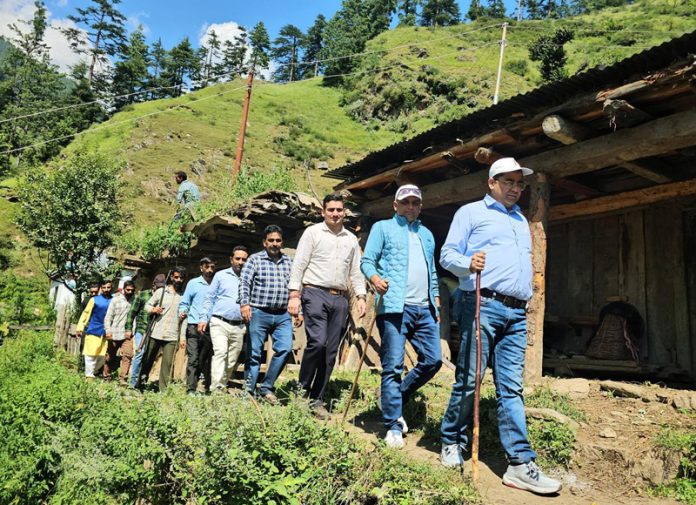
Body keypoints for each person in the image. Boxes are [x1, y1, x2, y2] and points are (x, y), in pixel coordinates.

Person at [439, 158, 561, 495]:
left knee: (512, 388)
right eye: (508, 182)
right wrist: (467, 262)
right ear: (491, 182)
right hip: (482, 303)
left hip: (516, 313)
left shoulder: (521, 220)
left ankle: (520, 464)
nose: (515, 189)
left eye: (519, 184)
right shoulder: (470, 213)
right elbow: (447, 255)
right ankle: (451, 440)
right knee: (470, 378)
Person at [361, 184, 443, 449]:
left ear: (420, 206)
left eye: (415, 203)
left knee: (433, 360)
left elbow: (432, 270)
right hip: (395, 306)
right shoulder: (383, 228)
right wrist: (375, 278)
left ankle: (395, 398)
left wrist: (436, 298)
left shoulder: (427, 234)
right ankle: (393, 424)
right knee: (393, 365)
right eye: (405, 202)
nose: (411, 207)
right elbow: (367, 261)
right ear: (395, 205)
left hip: (424, 307)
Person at [288, 193, 366, 419]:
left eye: (339, 210)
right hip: (314, 292)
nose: (335, 214)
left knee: (331, 352)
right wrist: (295, 295)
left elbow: (355, 271)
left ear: (344, 212)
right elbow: (299, 264)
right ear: (323, 212)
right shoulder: (313, 233)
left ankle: (317, 399)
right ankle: (301, 393)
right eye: (331, 210)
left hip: (340, 298)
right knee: (318, 343)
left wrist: (360, 296)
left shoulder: (351, 239)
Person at [240, 225, 302, 404]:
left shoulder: (289, 262)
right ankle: (248, 392)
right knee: (254, 353)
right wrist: (245, 303)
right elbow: (244, 283)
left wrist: (299, 311)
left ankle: (266, 387)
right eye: (271, 240)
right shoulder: (255, 260)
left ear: (282, 242)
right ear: (264, 242)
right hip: (259, 312)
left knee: (284, 348)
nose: (275, 244)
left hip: (283, 314)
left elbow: (296, 288)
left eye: (278, 240)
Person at [199, 246, 250, 392]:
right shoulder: (221, 275)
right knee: (220, 352)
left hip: (239, 325)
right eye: (238, 258)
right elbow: (209, 298)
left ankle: (222, 384)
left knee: (232, 360)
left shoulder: (250, 277)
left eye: (244, 259)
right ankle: (216, 388)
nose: (241, 262)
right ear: (231, 259)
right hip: (219, 321)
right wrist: (203, 318)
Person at [137, 267, 186, 391]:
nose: (179, 280)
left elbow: (185, 318)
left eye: (181, 278)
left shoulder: (184, 296)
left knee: (167, 364)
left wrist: (182, 337)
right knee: (148, 359)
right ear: (171, 277)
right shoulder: (161, 292)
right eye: (176, 277)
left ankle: (163, 391)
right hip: (156, 332)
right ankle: (140, 385)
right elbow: (147, 306)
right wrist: (153, 309)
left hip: (172, 334)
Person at [179, 257, 216, 394]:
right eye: (207, 267)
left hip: (211, 326)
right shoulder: (193, 283)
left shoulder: (216, 283)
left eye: (212, 267)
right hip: (194, 325)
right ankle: (191, 388)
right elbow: (185, 302)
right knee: (193, 358)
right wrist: (182, 312)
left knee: (205, 358)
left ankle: (204, 385)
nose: (210, 270)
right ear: (201, 268)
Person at [126, 274, 166, 388]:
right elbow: (132, 313)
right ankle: (133, 384)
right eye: (158, 287)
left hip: (155, 332)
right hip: (142, 329)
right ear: (154, 285)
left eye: (162, 287)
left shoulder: (164, 297)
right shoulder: (143, 295)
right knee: (140, 354)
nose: (160, 289)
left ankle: (142, 382)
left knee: (149, 357)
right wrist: (128, 328)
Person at [75, 279, 113, 381]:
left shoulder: (114, 301)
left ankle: (94, 372)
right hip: (94, 330)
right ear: (101, 289)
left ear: (111, 288)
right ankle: (89, 377)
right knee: (90, 354)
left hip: (107, 332)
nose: (106, 290)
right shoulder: (94, 300)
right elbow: (85, 313)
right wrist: (80, 327)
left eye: (108, 287)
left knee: (102, 356)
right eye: (104, 288)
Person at [103, 280, 136, 385]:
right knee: (110, 357)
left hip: (127, 334)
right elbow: (108, 317)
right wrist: (108, 331)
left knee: (127, 356)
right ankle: (106, 376)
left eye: (132, 290)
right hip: (114, 332)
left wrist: (132, 331)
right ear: (123, 289)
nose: (130, 292)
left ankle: (123, 379)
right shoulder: (115, 300)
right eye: (128, 290)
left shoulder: (134, 301)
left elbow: (136, 317)